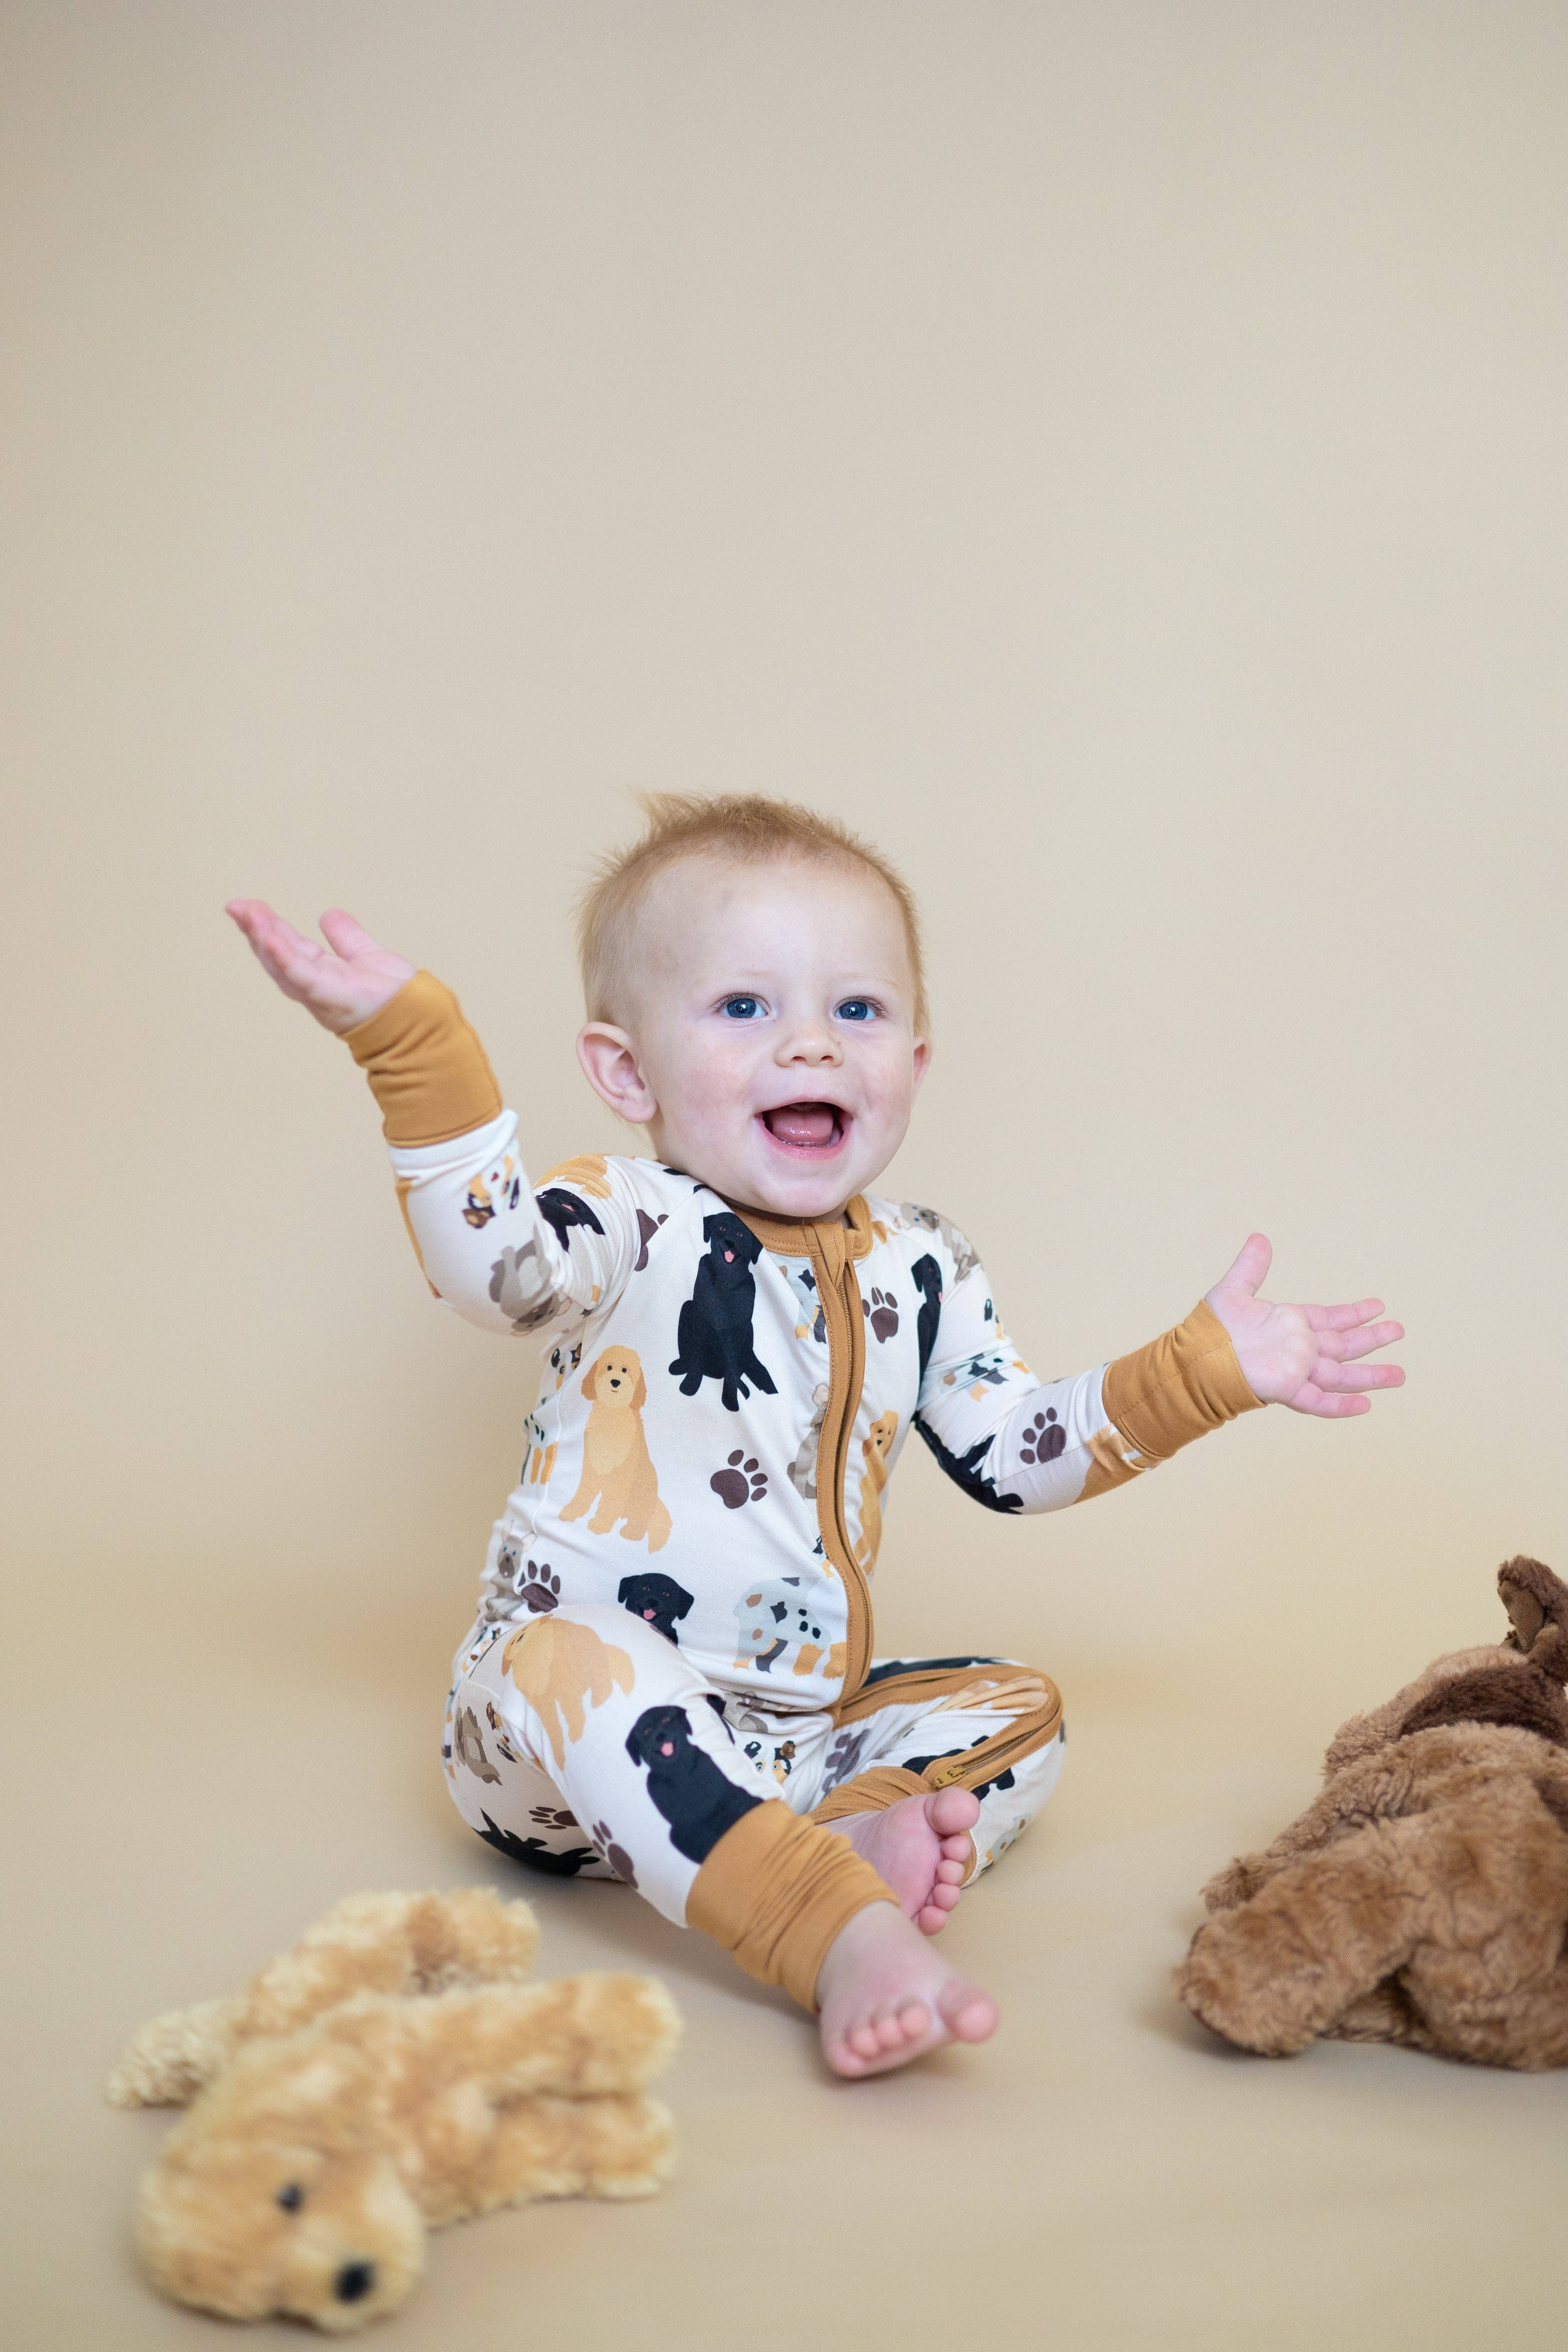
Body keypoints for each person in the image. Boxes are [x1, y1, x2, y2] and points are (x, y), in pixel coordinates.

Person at [227, 793, 1403, 2078]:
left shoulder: (926, 1262)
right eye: (743, 1007)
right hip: (559, 1744)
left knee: (1023, 1712)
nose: (812, 1044)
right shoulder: (628, 1218)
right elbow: (493, 1271)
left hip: (790, 1735)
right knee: (560, 1658)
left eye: (859, 1009)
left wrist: (1203, 1372)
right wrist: (417, 1052)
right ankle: (827, 1926)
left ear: (915, 1063)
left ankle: (837, 1829)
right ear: (627, 1074)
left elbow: (1016, 1455)